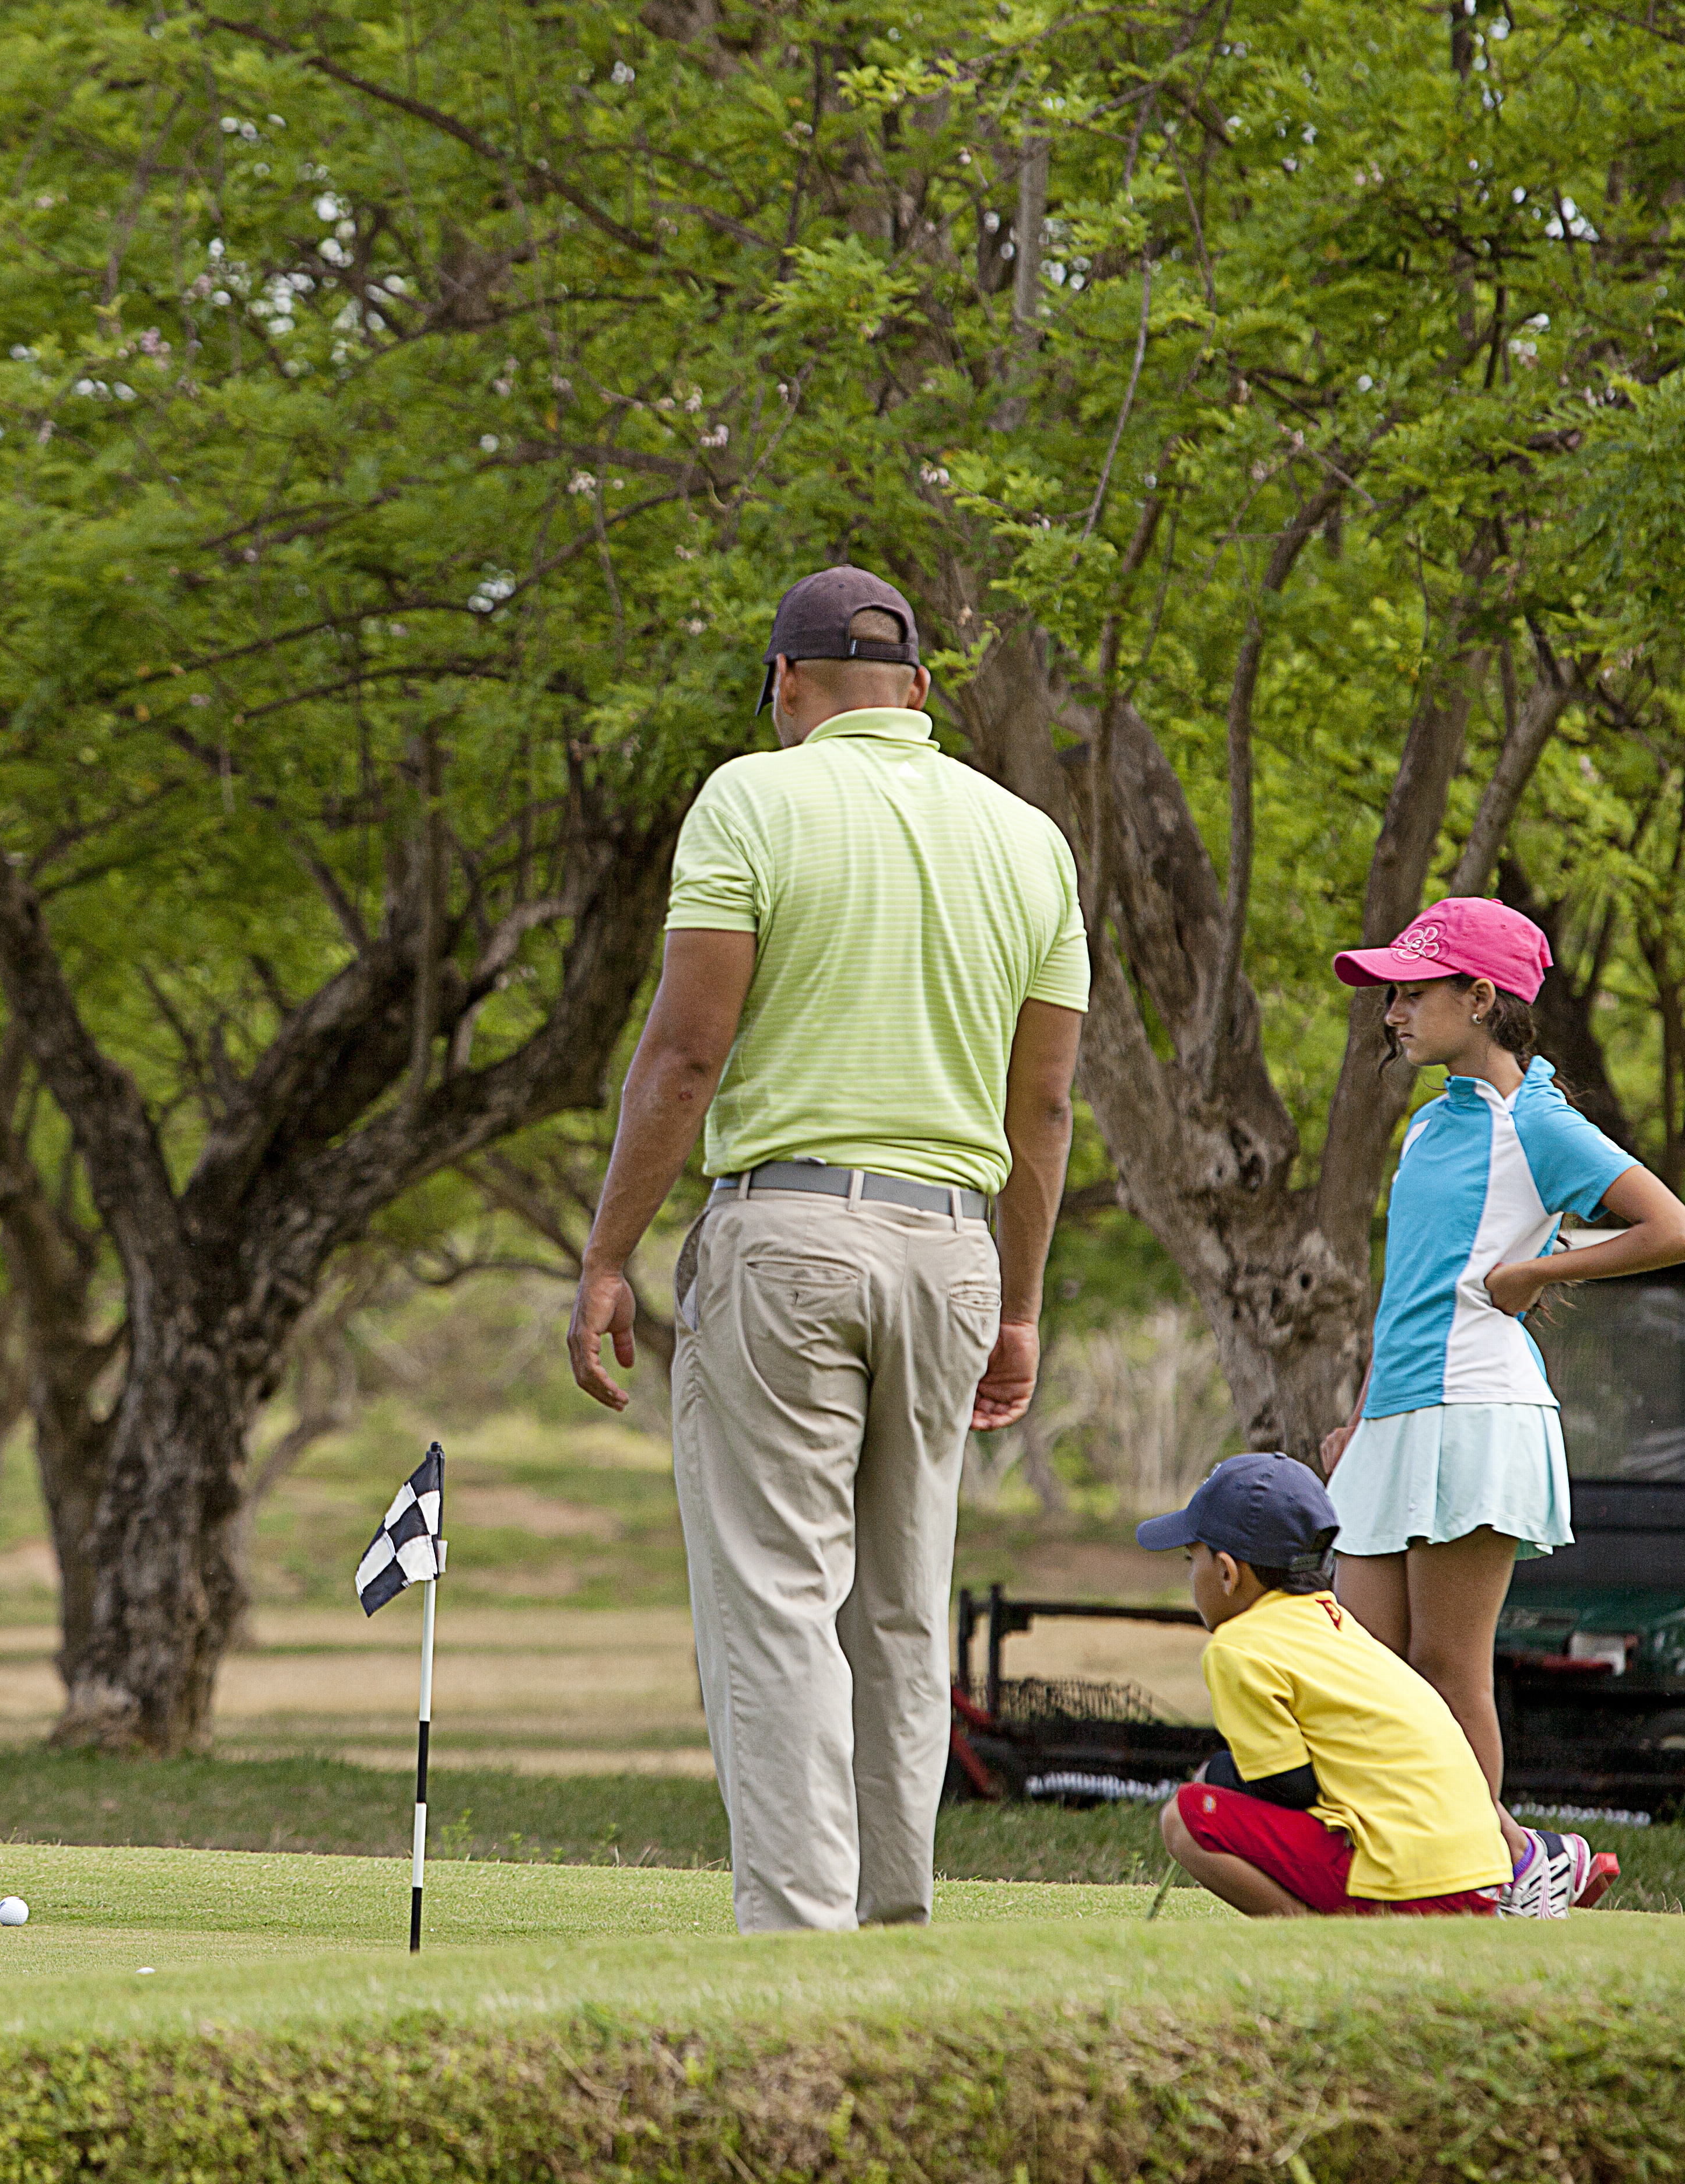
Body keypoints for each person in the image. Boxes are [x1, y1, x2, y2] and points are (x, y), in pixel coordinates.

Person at [566, 564, 1088, 1933]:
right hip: (955, 1248)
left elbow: (686, 1055)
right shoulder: (1028, 838)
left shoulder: (753, 795)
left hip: (788, 1233)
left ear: (784, 682)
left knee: (778, 1592)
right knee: (905, 1600)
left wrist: (607, 1252)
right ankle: (890, 1911)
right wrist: (1020, 1304)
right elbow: (1042, 1106)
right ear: (918, 689)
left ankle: (801, 1927)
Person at [1318, 895, 1685, 1909]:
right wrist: (1361, 1418)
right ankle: (1507, 1858)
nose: (1392, 1012)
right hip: (1398, 1418)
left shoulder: (1535, 1117)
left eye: (1411, 991)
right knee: (1364, 1669)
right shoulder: (1424, 1130)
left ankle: (1476, 1878)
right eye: (1389, 994)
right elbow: (1404, 1287)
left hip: (1479, 1411)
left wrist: (1535, 1272)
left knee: (1447, 1667)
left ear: (1479, 995)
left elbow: (1675, 1228)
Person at [1140, 1453, 1601, 1917]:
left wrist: (1215, 1774)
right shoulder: (1336, 1621)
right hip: (1483, 1878)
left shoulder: (1238, 1646)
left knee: (1185, 1818)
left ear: (1226, 1573)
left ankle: (1317, 1943)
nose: (1190, 1575)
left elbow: (1289, 1788)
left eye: (1190, 1559)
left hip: (1417, 1887)